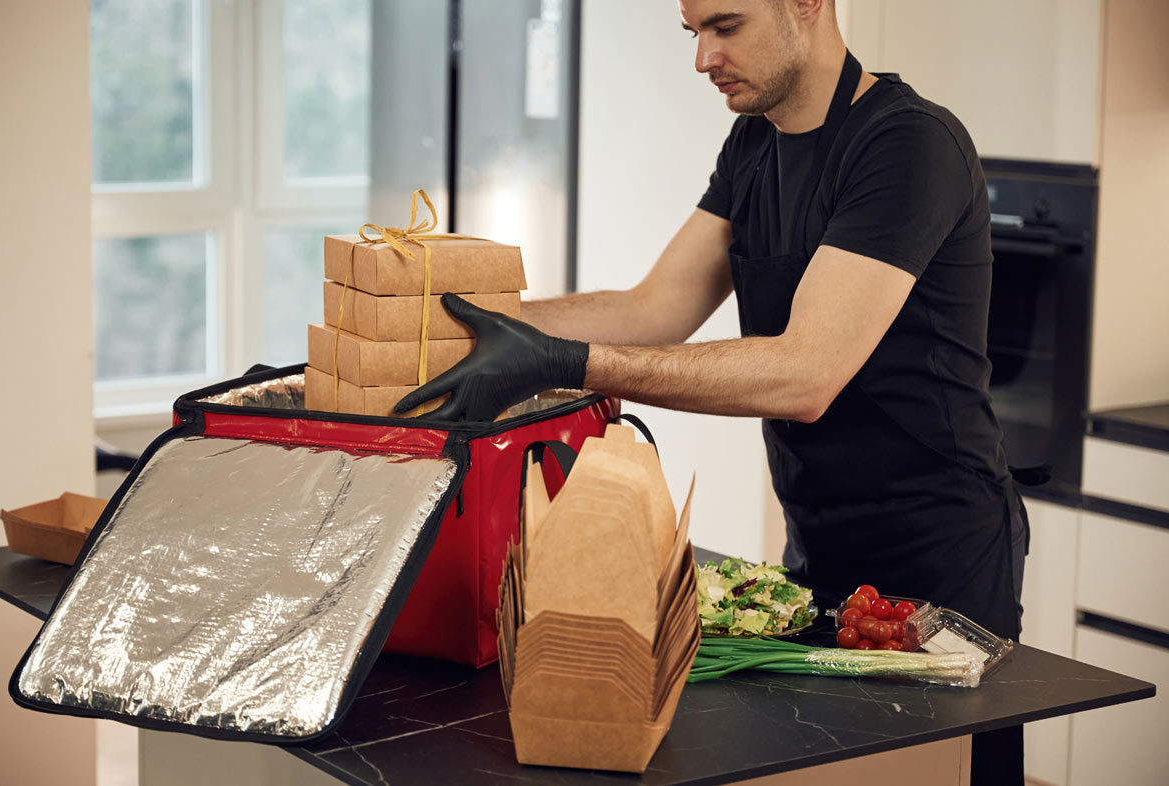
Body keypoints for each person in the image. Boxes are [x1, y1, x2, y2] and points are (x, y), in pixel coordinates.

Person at [395, 1, 1028, 782]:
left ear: (809, 5)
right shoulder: (755, 142)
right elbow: (653, 308)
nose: (703, 58)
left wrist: (566, 360)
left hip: (941, 554)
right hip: (819, 539)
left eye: (726, 26)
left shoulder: (907, 145)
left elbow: (805, 374)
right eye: (694, 32)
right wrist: (449, 325)